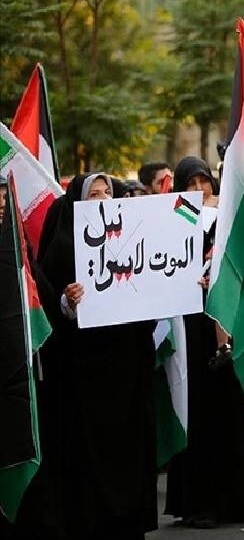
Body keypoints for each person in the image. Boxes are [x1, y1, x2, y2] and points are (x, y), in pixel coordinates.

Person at [12, 173, 158, 540]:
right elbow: (46, 303)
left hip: (125, 372)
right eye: (93, 194)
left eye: (107, 192)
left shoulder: (134, 237)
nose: (102, 199)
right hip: (82, 377)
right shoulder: (63, 241)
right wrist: (67, 303)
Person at [163, 157, 244, 529]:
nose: (198, 189)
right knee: (204, 416)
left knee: (239, 411)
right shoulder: (168, 219)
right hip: (193, 332)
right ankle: (203, 503)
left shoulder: (229, 218)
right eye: (190, 182)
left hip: (234, 322)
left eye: (204, 181)